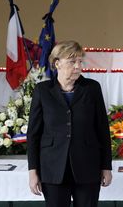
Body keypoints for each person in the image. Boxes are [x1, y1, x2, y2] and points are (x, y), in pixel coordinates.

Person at [27, 40, 112, 207]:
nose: (78, 66)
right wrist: (33, 172)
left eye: (80, 61)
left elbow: (102, 129)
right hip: (52, 169)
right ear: (57, 63)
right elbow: (33, 134)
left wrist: (106, 167)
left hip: (87, 166)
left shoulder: (92, 88)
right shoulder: (42, 91)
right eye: (72, 61)